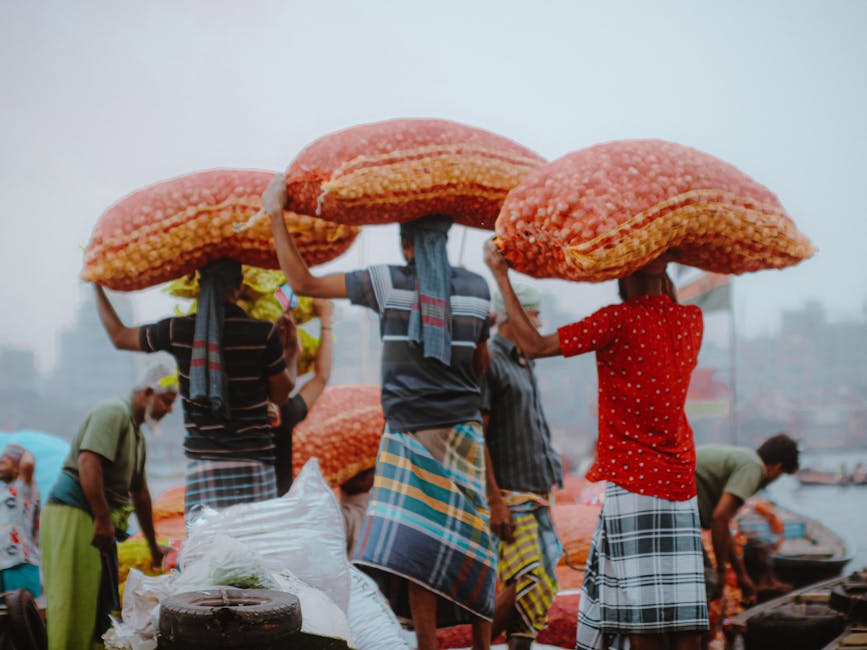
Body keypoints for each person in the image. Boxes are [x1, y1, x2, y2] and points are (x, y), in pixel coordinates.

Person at [263, 173, 496, 650]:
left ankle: (427, 645)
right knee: (474, 546)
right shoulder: (477, 287)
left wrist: (274, 213)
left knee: (418, 549)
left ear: (405, 244)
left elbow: (301, 280)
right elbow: (479, 361)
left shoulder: (386, 281)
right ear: (447, 241)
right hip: (464, 434)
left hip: (409, 433)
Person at [485, 241, 708, 650]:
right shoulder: (691, 321)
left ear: (623, 272)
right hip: (680, 484)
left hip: (633, 482)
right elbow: (666, 300)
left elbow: (534, 346)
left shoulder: (616, 321)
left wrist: (500, 274)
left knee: (642, 615)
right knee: (684, 613)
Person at [92, 258, 299, 516]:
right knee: (255, 551)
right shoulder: (263, 334)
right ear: (239, 285)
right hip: (254, 463)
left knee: (208, 554)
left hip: (204, 467)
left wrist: (96, 286)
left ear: (198, 285)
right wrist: (291, 353)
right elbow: (280, 394)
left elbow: (120, 336)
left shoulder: (178, 331)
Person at [40, 364, 178, 650]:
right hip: (75, 512)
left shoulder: (136, 434)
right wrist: (102, 518)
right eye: (167, 400)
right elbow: (88, 461)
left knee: (96, 604)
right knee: (73, 602)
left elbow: (140, 493)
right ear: (148, 393)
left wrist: (153, 548)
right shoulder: (113, 412)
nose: (169, 410)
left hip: (97, 518)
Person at [480, 285, 564, 650]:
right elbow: (477, 435)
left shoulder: (523, 361)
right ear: (513, 316)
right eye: (534, 314)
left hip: (538, 491)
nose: (540, 322)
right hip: (510, 495)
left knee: (539, 593)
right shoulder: (491, 362)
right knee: (528, 579)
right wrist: (494, 500)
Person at [695, 433, 800, 604]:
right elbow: (720, 518)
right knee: (708, 583)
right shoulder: (754, 467)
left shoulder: (745, 458)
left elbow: (723, 528)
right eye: (780, 475)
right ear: (776, 467)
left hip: (668, 507)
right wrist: (721, 571)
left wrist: (741, 575)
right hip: (669, 509)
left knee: (706, 583)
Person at [271, 298, 335, 496]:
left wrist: (326, 322)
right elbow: (321, 377)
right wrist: (326, 321)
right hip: (275, 511)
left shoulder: (283, 410)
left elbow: (321, 377)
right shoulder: (280, 412)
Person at [0, 443, 41, 598]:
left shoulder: (26, 488)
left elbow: (29, 463)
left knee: (23, 616)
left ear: (17, 466)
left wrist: (16, 449)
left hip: (22, 563)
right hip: (2, 564)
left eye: (3, 462)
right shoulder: (3, 489)